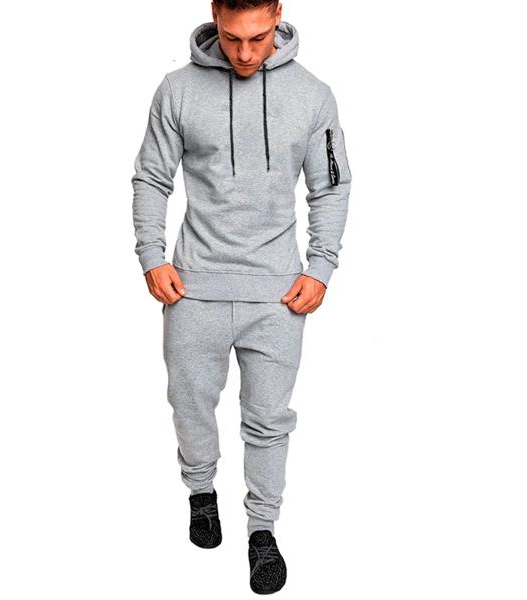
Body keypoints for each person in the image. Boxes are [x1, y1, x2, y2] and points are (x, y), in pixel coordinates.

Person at [131, 0, 351, 594]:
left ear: (277, 13)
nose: (245, 53)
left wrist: (321, 267)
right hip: (194, 287)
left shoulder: (313, 95)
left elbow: (331, 186)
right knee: (190, 406)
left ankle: (262, 531)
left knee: (269, 420)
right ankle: (201, 493)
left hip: (278, 294)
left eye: (257, 37)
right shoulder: (177, 90)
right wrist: (152, 255)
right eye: (231, 38)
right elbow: (152, 176)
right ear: (214, 16)